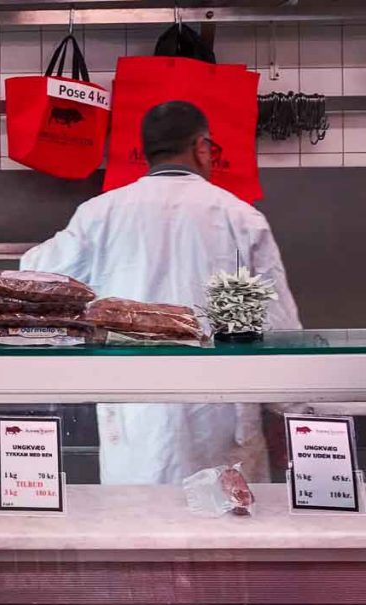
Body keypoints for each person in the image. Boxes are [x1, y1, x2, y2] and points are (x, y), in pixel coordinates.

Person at [22, 101, 300, 485]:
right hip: (220, 413)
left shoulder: (100, 214)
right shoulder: (241, 217)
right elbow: (279, 323)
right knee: (225, 532)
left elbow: (34, 278)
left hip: (136, 410)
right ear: (202, 147)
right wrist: (295, 413)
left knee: (140, 528)